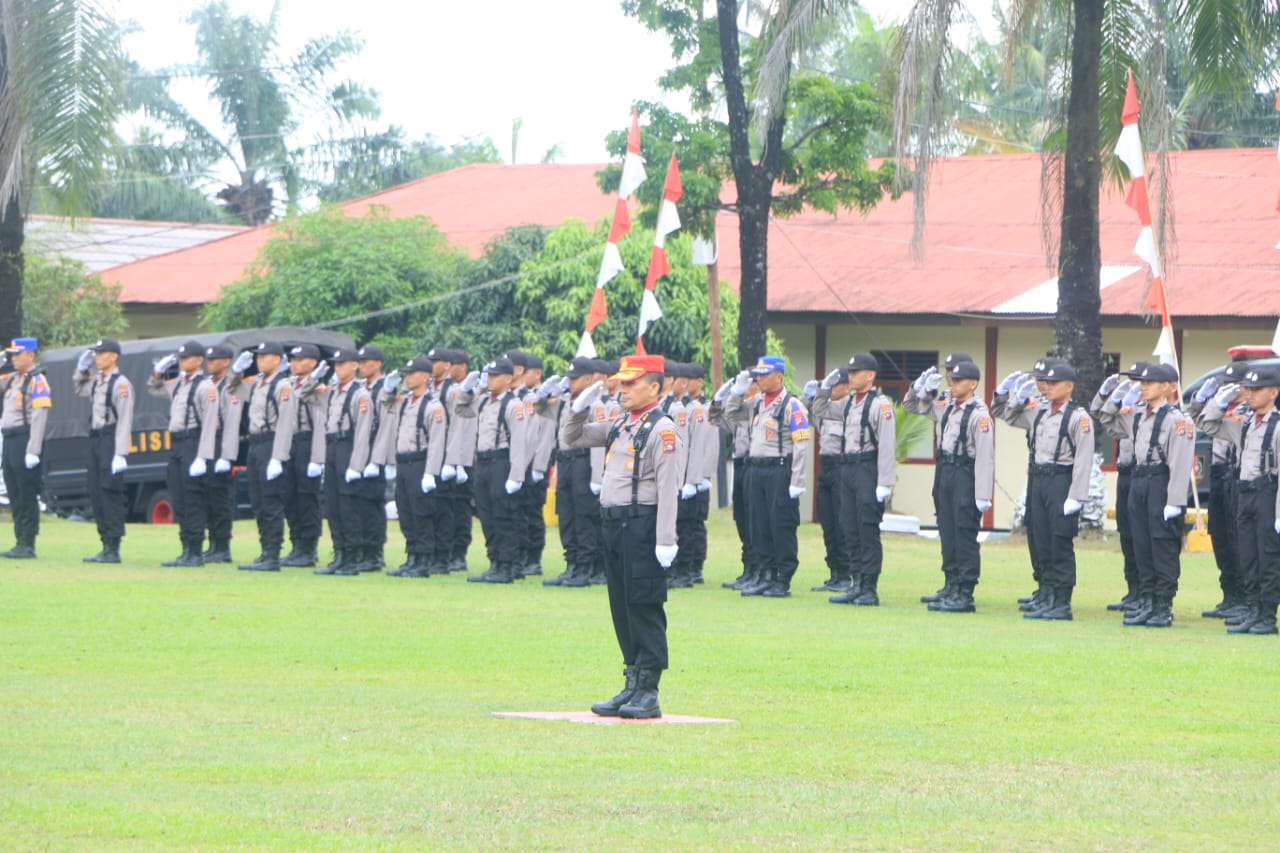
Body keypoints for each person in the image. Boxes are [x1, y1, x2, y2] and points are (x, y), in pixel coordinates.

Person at [563, 354, 680, 719]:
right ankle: (631, 680)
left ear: (654, 387)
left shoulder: (661, 429)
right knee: (621, 606)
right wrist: (580, 405)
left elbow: (667, 488)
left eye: (632, 383)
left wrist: (665, 539)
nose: (624, 389)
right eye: (623, 383)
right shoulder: (620, 424)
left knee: (644, 605)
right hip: (613, 524)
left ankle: (648, 688)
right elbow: (573, 436)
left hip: (642, 525)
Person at [1097, 362, 1193, 627]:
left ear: (1166, 387)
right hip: (1139, 480)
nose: (1144, 387)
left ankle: (1163, 606)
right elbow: (1108, 420)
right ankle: (1147, 600)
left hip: (1161, 482)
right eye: (1143, 383)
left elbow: (1181, 463)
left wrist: (1175, 501)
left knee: (1161, 544)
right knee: (1141, 543)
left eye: (1150, 383)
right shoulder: (1138, 415)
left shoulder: (1178, 420)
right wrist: (1114, 399)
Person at [996, 361, 1094, 620]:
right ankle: (1047, 593)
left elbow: (1084, 459)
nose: (1046, 387)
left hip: (1061, 480)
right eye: (1044, 383)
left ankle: (1061, 601)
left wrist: (1076, 496)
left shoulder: (1077, 417)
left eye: (1053, 383)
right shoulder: (1039, 410)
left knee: (1059, 540)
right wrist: (1012, 397)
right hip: (1038, 479)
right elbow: (1005, 414)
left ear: (1069, 386)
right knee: (1039, 539)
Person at [904, 359, 995, 612]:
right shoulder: (946, 406)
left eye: (957, 380)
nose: (951, 384)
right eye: (950, 380)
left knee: (964, 532)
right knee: (948, 530)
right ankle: (951, 584)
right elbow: (911, 405)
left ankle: (965, 592)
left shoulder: (979, 414)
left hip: (966, 474)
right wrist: (922, 388)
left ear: (973, 383)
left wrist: (983, 494)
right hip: (944, 472)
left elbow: (986, 456)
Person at [1199, 365, 1280, 634]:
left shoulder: (1277, 426)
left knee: (1267, 555)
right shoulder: (1245, 424)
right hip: (1244, 494)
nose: (1250, 394)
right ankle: (1253, 610)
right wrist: (1216, 403)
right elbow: (1208, 424)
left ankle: (1267, 615)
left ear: (1273, 392)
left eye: (1257, 390)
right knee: (1247, 554)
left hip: (1267, 494)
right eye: (1249, 389)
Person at [723, 355, 811, 598]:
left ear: (779, 376)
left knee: (780, 525)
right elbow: (731, 414)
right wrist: (737, 393)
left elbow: (802, 445)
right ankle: (764, 574)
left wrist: (797, 481)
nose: (759, 379)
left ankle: (782, 578)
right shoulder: (757, 403)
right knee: (757, 525)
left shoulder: (792, 405)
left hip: (779, 470)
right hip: (755, 470)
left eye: (764, 374)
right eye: (757, 375)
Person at [816, 353, 896, 606]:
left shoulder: (879, 405)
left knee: (867, 528)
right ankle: (856, 582)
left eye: (855, 372)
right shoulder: (849, 403)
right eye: (849, 373)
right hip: (847, 468)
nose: (850, 377)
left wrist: (885, 482)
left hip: (867, 468)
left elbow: (886, 446)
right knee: (848, 526)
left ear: (870, 375)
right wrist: (823, 389)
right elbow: (819, 410)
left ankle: (870, 587)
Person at [455, 356, 532, 583]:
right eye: (489, 375)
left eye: (496, 375)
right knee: (486, 514)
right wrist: (467, 390)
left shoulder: (514, 405)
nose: (490, 380)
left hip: (502, 462)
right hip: (484, 463)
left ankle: (507, 565)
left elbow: (520, 443)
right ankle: (495, 561)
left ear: (509, 378)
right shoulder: (484, 402)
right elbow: (461, 408)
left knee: (504, 515)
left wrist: (516, 476)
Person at [1187, 361, 1251, 619]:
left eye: (1236, 386)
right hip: (1218, 474)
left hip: (1237, 476)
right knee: (1221, 537)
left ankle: (1246, 599)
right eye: (1226, 385)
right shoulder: (1220, 408)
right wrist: (1204, 398)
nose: (1230, 390)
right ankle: (1230, 595)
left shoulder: (1249, 411)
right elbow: (1199, 417)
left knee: (1238, 540)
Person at [147, 340, 219, 567]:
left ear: (199, 360)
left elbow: (210, 423)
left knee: (193, 498)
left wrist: (203, 456)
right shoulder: (179, 383)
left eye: (186, 358)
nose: (182, 361)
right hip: (177, 443)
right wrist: (158, 372)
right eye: (180, 358)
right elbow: (154, 388)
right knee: (179, 498)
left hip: (194, 442)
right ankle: (186, 549)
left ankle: (196, 551)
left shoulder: (205, 387)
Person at [378, 356, 448, 577]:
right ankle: (412, 556)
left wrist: (431, 473)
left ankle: (425, 559)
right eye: (406, 374)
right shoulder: (405, 401)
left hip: (420, 462)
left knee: (422, 513)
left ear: (425, 376)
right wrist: (388, 388)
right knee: (405, 511)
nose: (408, 378)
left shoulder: (433, 406)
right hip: (404, 463)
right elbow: (385, 403)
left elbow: (437, 443)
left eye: (412, 373)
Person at [1090, 361, 1151, 613]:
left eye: (1139, 380)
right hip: (1125, 473)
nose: (1135, 384)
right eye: (1132, 379)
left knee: (1141, 535)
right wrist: (1107, 394)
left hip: (1144, 474)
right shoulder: (1125, 407)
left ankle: (1147, 593)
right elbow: (1098, 412)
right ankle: (1133, 590)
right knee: (1126, 534)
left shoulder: (1149, 410)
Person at [536, 358, 599, 587]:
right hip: (564, 462)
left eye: (576, 378)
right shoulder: (564, 402)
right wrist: (543, 395)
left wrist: (597, 476)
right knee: (566, 514)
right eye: (569, 379)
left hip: (584, 461)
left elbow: (600, 441)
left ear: (590, 379)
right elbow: (540, 410)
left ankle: (585, 567)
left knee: (584, 516)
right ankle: (571, 564)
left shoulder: (594, 403)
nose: (571, 383)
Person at [74, 338, 135, 564]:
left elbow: (125, 420)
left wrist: (121, 452)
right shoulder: (98, 380)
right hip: (96, 438)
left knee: (110, 492)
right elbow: (79, 387)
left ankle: (113, 545)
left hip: (111, 438)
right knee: (96, 490)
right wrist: (81, 368)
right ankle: (104, 543)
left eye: (102, 353)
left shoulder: (121, 384)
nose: (97, 357)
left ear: (114, 356)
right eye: (96, 354)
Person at [315, 347, 375, 576]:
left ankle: (351, 556)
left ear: (354, 366)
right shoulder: (333, 391)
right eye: (335, 365)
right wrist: (315, 377)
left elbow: (362, 433)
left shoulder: (360, 394)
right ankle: (339, 552)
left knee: (348, 505)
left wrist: (356, 465)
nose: (338, 368)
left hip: (348, 447)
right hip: (332, 446)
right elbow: (306, 394)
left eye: (342, 364)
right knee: (332, 504)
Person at [237, 341, 295, 572]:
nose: (260, 360)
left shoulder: (283, 386)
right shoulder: (257, 383)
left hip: (272, 443)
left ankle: (272, 553)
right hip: (256, 443)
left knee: (271, 501)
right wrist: (237, 371)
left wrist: (278, 457)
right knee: (258, 500)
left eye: (265, 356)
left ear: (278, 359)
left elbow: (286, 423)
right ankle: (264, 551)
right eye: (258, 357)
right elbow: (232, 389)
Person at [278, 344, 328, 567]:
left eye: (300, 359)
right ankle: (296, 543)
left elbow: (320, 422)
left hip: (308, 440)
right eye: (292, 359)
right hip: (289, 441)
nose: (294, 363)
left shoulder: (319, 386)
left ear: (313, 363)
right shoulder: (287, 384)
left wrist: (318, 457)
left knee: (307, 496)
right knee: (290, 496)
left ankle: (308, 547)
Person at [0, 337, 51, 559]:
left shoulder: (37, 381)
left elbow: (40, 417)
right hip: (10, 439)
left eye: (17, 354)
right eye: (11, 354)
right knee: (14, 491)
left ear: (30, 355)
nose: (13, 358)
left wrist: (34, 449)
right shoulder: (13, 379)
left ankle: (28, 543)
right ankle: (19, 540)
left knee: (26, 492)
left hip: (25, 438)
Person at [671, 362, 715, 588]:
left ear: (699, 381)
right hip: (685, 475)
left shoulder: (700, 409)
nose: (685, 384)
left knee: (691, 524)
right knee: (684, 523)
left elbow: (699, 446)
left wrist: (696, 479)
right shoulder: (682, 407)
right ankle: (687, 567)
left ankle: (691, 568)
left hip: (694, 477)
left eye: (689, 380)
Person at [711, 376, 756, 590]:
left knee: (755, 521)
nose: (745, 389)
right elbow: (717, 419)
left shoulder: (760, 408)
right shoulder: (740, 410)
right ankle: (748, 569)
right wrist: (719, 400)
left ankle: (759, 570)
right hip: (740, 465)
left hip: (754, 465)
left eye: (749, 384)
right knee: (741, 517)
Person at [201, 344, 242, 564]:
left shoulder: (230, 386)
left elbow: (232, 421)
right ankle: (213, 543)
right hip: (206, 441)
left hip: (220, 441)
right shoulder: (207, 385)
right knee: (207, 495)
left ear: (226, 361)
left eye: (214, 359)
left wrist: (226, 455)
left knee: (220, 498)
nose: (209, 364)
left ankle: (222, 545)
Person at [355, 344, 391, 571]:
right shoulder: (360, 388)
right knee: (356, 501)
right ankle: (361, 548)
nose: (361, 365)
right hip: (359, 448)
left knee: (372, 503)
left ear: (377, 363)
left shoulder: (385, 388)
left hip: (375, 448)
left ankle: (374, 551)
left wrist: (378, 459)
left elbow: (386, 425)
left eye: (366, 361)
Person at [441, 349, 477, 573]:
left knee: (461, 507)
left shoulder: (470, 390)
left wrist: (462, 461)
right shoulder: (445, 388)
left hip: (464, 458)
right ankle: (446, 550)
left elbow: (467, 427)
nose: (447, 368)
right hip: (446, 456)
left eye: (450, 364)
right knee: (445, 505)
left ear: (462, 366)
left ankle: (459, 553)